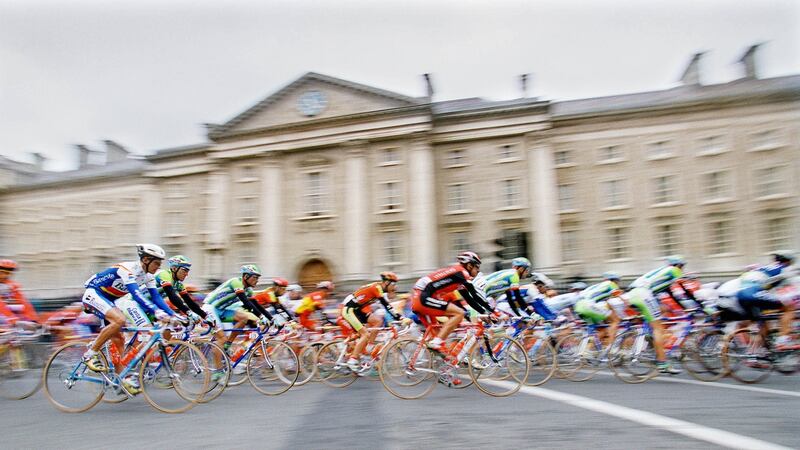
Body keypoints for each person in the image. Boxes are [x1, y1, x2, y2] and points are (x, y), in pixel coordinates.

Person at [81, 244, 174, 393]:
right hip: (94, 294)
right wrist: (156, 312)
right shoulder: (128, 270)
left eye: (160, 264)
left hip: (110, 301)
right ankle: (90, 354)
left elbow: (157, 297)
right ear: (145, 260)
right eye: (156, 263)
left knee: (119, 339)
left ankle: (120, 379)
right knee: (119, 320)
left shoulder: (148, 277)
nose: (158, 267)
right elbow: (136, 294)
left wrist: (172, 315)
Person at [411, 251, 495, 354]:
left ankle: (442, 362)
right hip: (422, 298)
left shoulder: (457, 276)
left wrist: (484, 311)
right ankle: (437, 344)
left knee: (439, 339)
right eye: (477, 267)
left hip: (419, 298)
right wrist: (492, 311)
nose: (478, 270)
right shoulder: (462, 273)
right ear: (469, 265)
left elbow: (469, 299)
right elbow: (475, 295)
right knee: (459, 313)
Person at [718, 250, 798, 350]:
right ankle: (783, 340)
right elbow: (790, 291)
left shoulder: (763, 268)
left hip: (739, 295)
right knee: (789, 307)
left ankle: (755, 354)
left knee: (762, 322)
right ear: (788, 261)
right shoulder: (785, 269)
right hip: (752, 293)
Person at [627, 255, 686, 374]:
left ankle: (651, 343)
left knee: (661, 311)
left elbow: (667, 292)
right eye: (682, 266)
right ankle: (662, 363)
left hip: (634, 294)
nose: (682, 269)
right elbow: (682, 291)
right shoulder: (674, 271)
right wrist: (695, 306)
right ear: (678, 265)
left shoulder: (662, 272)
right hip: (644, 294)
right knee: (658, 328)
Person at [202, 264, 274, 349]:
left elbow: (255, 304)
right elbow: (245, 301)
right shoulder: (236, 282)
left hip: (222, 310)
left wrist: (271, 318)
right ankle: (217, 358)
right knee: (222, 339)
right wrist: (261, 317)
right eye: (255, 277)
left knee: (243, 318)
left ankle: (227, 346)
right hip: (210, 308)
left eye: (258, 278)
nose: (257, 280)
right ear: (246, 276)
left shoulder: (248, 290)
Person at [342, 272, 402, 371]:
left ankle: (368, 348)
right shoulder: (377, 288)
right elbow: (386, 305)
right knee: (365, 334)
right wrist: (400, 318)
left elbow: (387, 303)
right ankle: (352, 359)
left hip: (359, 310)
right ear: (387, 282)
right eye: (394, 284)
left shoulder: (380, 289)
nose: (394, 287)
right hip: (350, 310)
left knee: (378, 321)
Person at [574, 272, 623, 348]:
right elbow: (621, 299)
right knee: (615, 320)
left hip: (579, 306)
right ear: (615, 280)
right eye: (618, 282)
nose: (618, 284)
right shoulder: (611, 283)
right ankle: (610, 348)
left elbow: (607, 304)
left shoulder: (595, 286)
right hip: (589, 306)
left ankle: (586, 350)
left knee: (601, 330)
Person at [0, 259, 39, 325]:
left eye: (8, 273)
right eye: (2, 273)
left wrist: (33, 319)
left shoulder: (12, 285)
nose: (5, 276)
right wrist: (11, 318)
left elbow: (23, 302)